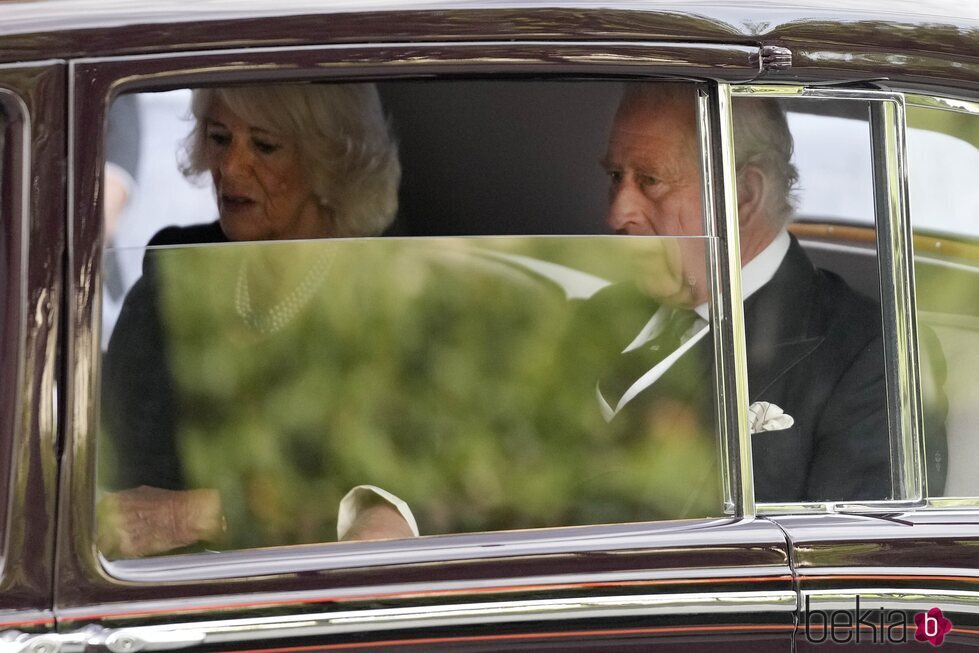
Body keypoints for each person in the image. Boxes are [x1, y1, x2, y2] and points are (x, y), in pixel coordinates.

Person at [100, 83, 412, 556]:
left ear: (329, 161)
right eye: (220, 138)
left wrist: (197, 514)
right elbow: (121, 485)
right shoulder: (169, 285)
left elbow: (400, 503)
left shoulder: (388, 303)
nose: (230, 166)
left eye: (264, 145)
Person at [596, 82, 946, 503]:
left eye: (650, 180)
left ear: (743, 195)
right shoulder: (599, 311)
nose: (617, 212)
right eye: (616, 177)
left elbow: (859, 560)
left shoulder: (874, 356)